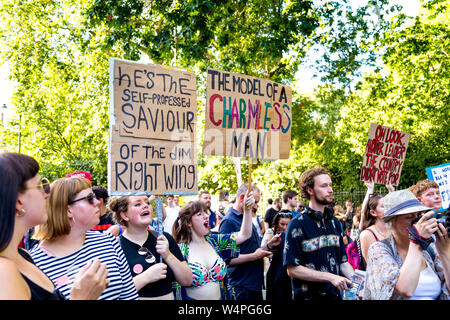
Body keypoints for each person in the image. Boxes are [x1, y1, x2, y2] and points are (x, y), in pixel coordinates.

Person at [0, 152, 109, 300]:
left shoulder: (24, 256)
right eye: (40, 185)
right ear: (19, 202)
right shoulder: (3, 272)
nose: (47, 194)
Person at [30, 176, 138, 300]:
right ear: (68, 210)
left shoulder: (108, 241)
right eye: (90, 198)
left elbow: (129, 297)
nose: (98, 202)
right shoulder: (35, 264)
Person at [363, 189, 450, 300]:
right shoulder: (379, 249)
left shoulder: (429, 249)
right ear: (392, 221)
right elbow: (405, 290)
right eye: (409, 217)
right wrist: (417, 240)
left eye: (419, 215)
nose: (418, 221)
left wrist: (444, 251)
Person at [284, 166, 354, 300]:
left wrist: (359, 283)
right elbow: (292, 269)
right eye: (324, 186)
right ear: (310, 190)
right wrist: (330, 277)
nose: (330, 190)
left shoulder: (334, 222)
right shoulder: (297, 224)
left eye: (330, 185)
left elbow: (343, 262)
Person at [109, 195, 192, 300]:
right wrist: (146, 277)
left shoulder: (164, 238)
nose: (145, 206)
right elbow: (114, 293)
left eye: (147, 203)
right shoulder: (115, 247)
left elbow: (187, 280)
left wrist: (167, 255)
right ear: (125, 215)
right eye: (138, 204)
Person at [172, 195, 254, 300]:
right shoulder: (180, 250)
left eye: (206, 212)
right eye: (199, 214)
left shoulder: (215, 242)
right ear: (188, 222)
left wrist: (247, 210)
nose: (206, 216)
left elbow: (245, 234)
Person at [219, 183, 273, 300]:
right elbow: (226, 259)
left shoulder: (246, 218)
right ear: (243, 198)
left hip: (254, 284)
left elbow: (253, 249)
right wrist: (254, 256)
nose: (257, 206)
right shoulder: (228, 222)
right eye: (255, 202)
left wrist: (269, 245)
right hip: (241, 286)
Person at [358, 181, 392, 269]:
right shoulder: (367, 234)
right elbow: (372, 266)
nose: (388, 208)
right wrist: (370, 189)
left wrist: (391, 190)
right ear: (373, 213)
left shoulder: (395, 229)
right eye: (383, 206)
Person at [261, 210, 293, 301]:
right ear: (276, 223)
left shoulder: (292, 233)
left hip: (288, 273)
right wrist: (271, 255)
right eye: (282, 224)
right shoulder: (270, 232)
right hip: (274, 271)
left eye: (288, 224)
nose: (285, 227)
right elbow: (262, 248)